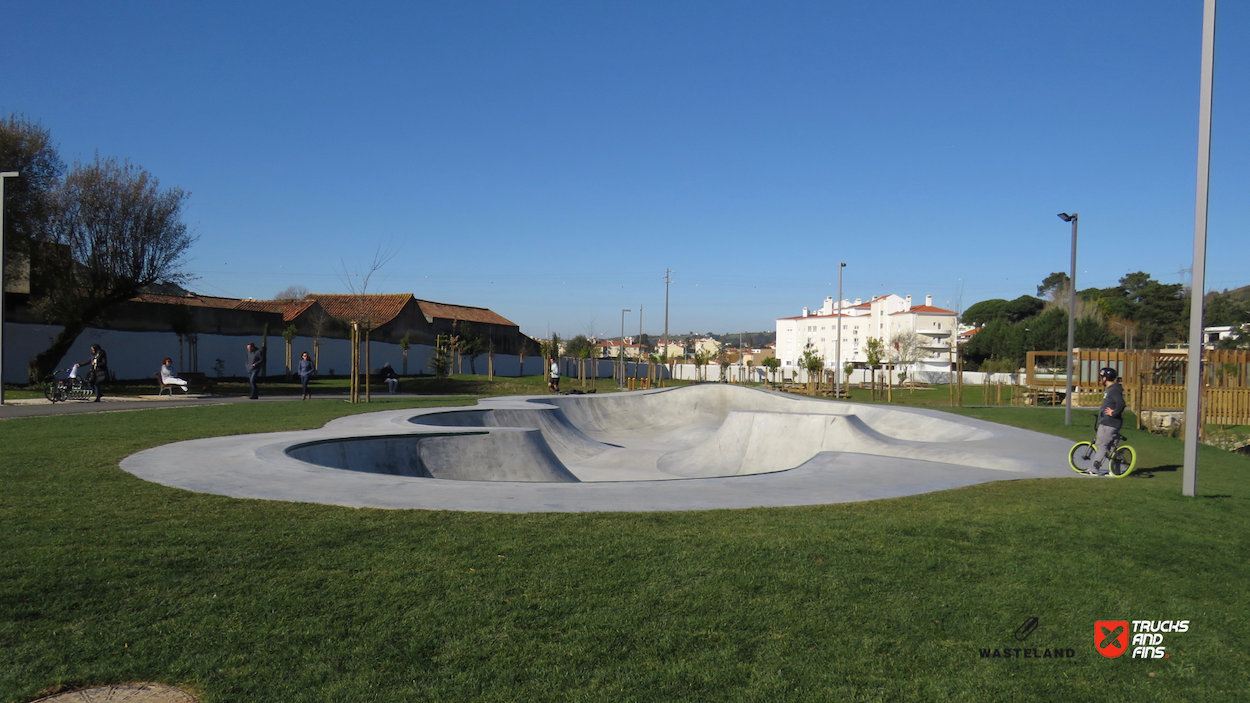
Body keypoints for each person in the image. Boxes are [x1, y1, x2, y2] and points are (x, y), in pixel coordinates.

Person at [1085, 367, 1126, 476]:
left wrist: (1113, 413)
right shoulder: (1112, 389)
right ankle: (1115, 471)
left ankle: (1094, 469)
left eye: (1101, 377)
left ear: (1105, 378)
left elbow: (1121, 403)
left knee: (1101, 445)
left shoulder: (1113, 390)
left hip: (1109, 423)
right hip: (1109, 422)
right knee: (1110, 447)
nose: (1100, 379)